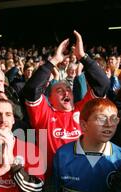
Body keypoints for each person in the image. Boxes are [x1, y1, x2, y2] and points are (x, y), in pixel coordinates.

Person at [22, 31, 109, 173]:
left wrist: (83, 57)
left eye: (68, 89)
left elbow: (103, 84)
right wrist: (54, 60)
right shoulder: (44, 115)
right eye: (59, 90)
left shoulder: (83, 110)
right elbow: (32, 90)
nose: (66, 92)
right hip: (55, 179)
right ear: (50, 99)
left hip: (84, 175)